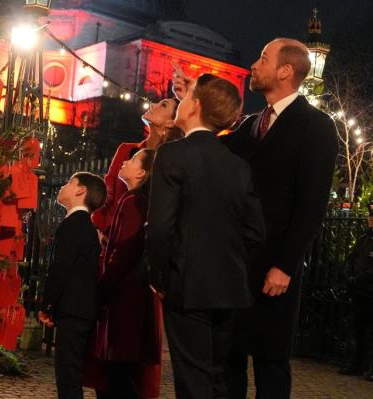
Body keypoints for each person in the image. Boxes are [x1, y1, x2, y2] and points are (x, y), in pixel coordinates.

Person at [175, 38, 339, 398]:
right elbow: (209, 146)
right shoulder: (251, 125)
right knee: (230, 357)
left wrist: (286, 265)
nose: (253, 64)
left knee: (271, 363)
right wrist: (193, 101)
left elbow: (311, 204)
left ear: (285, 71)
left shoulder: (315, 126)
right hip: (238, 267)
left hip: (275, 271)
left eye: (263, 58)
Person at [146, 73, 266, 399]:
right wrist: (229, 261)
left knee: (193, 381)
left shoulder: (173, 155)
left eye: (186, 98)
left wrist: (158, 275)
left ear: (195, 105)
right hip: (229, 287)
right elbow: (255, 231)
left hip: (186, 284)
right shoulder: (238, 165)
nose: (180, 103)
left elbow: (159, 228)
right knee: (216, 378)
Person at [94, 148, 162, 399]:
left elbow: (123, 251)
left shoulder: (133, 201)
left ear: (142, 172)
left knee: (118, 375)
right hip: (131, 296)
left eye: (133, 160)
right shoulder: (140, 201)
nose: (124, 161)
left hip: (124, 299)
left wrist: (102, 286)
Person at [39, 172, 107, 399]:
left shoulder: (74, 224)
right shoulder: (83, 225)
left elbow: (61, 268)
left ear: (81, 191)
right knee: (70, 371)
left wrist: (47, 304)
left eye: (70, 182)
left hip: (74, 309)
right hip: (80, 309)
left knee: (68, 372)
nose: (63, 186)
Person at [91, 98, 181, 236]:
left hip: (144, 238)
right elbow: (108, 192)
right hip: (111, 234)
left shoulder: (170, 161)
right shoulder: (126, 150)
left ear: (171, 122)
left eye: (163, 105)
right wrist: (97, 228)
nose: (152, 104)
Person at [341, 203, 373, 380]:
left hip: (370, 291)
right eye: (370, 217)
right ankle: (357, 364)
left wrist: (358, 278)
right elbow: (351, 258)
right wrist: (349, 274)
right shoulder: (364, 239)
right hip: (359, 292)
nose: (371, 220)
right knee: (358, 330)